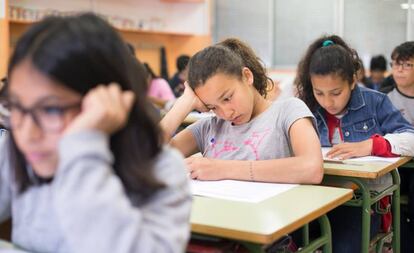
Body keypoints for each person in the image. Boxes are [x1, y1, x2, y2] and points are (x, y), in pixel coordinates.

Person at [0, 13, 191, 253]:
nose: (27, 134)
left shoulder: (161, 169)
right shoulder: (21, 151)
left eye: (50, 109)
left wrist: (83, 148)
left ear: (108, 102)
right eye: (15, 106)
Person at [295, 34, 414, 253]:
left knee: (343, 248)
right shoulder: (307, 108)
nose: (327, 102)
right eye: (318, 92)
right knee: (286, 237)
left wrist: (369, 145)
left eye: (336, 93)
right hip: (316, 197)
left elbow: (410, 138)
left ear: (352, 81)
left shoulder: (375, 102)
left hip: (363, 202)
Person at [161, 38, 323, 184]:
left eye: (227, 98)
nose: (226, 113)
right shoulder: (209, 127)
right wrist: (183, 103)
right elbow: (146, 157)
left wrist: (223, 169)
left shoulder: (288, 111)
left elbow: (312, 168)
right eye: (213, 107)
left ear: (247, 76)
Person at [387, 41, 414, 252]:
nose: (399, 70)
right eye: (396, 64)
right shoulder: (384, 96)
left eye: (406, 65)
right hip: (395, 166)